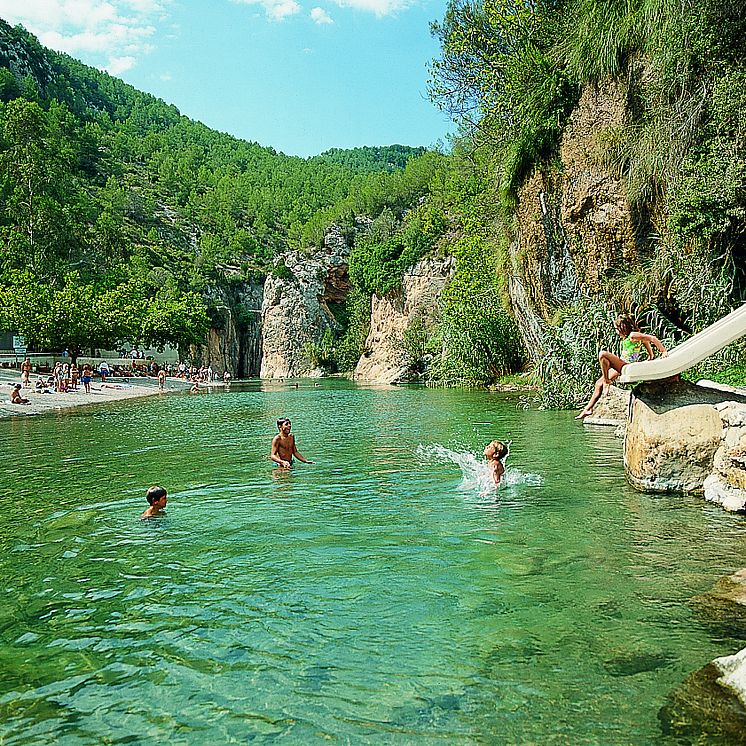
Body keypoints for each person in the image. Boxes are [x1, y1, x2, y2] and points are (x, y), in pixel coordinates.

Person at [576, 314, 668, 420]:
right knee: (598, 383)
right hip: (621, 364)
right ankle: (588, 409)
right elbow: (645, 341)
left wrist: (663, 351)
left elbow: (651, 338)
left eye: (616, 329)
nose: (616, 331)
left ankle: (607, 381)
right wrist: (651, 355)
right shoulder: (628, 337)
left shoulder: (633, 335)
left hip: (626, 364)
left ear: (622, 327)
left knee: (602, 354)